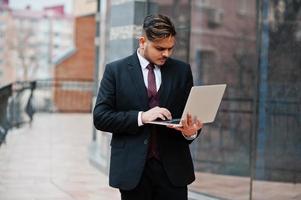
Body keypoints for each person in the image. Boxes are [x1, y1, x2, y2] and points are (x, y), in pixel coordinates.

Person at [93, 14, 203, 200]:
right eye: (160, 48)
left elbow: (190, 115)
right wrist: (142, 117)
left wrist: (190, 132)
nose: (166, 54)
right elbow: (101, 117)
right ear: (143, 41)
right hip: (132, 170)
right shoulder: (115, 71)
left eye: (170, 48)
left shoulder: (182, 71)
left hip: (173, 170)